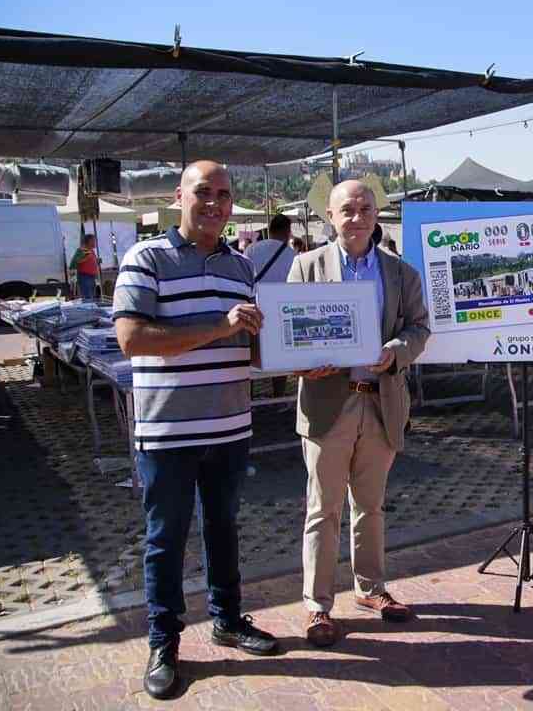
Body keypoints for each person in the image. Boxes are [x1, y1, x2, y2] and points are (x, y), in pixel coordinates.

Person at [113, 161, 279, 701]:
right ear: (178, 196)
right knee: (165, 539)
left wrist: (300, 350)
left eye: (224, 195)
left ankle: (227, 619)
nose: (214, 203)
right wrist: (221, 326)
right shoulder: (146, 257)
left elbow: (250, 346)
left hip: (231, 425)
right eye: (203, 192)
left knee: (224, 527)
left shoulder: (240, 265)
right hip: (168, 431)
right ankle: (163, 642)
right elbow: (133, 338)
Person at [289, 180, 430, 648]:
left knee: (370, 506)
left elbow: (419, 327)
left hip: (381, 400)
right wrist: (304, 359)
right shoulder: (306, 266)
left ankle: (370, 589)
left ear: (376, 215)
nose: (357, 216)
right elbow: (291, 332)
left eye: (366, 208)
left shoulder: (401, 272)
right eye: (347, 209)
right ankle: (317, 606)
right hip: (328, 402)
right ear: (330, 216)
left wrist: (395, 352)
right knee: (322, 509)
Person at [245, 214, 297, 399]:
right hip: (281, 311)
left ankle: (248, 398)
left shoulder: (252, 249)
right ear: (287, 231)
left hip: (255, 309)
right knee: (279, 357)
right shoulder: (292, 254)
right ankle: (279, 396)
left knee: (250, 355)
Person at [70, 233, 100, 301]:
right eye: (94, 240)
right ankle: (88, 310)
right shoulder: (82, 250)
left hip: (92, 277)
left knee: (92, 297)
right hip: (85, 277)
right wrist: (85, 258)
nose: (95, 242)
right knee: (87, 297)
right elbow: (74, 263)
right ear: (89, 241)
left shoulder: (91, 251)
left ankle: (91, 310)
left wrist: (97, 261)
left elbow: (90, 262)